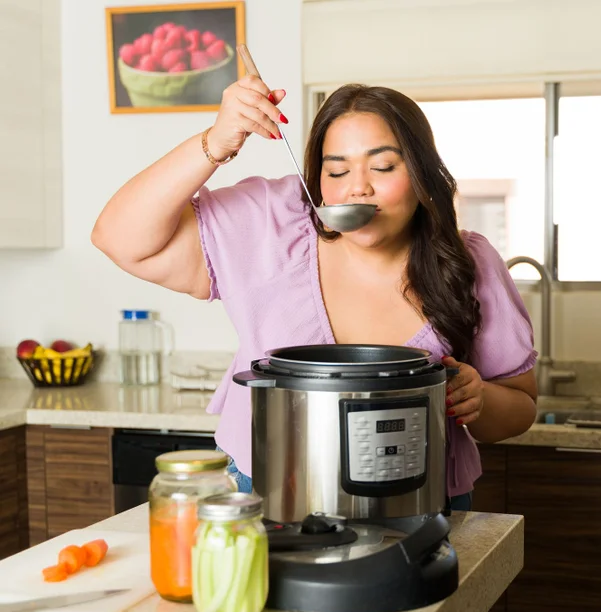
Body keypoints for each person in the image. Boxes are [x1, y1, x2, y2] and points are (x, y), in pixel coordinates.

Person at [91, 77, 540, 514]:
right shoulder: (271, 224)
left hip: (421, 505)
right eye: (337, 170)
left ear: (421, 173)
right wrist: (216, 142)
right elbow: (118, 237)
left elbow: (520, 407)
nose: (357, 187)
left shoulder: (468, 262)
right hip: (267, 497)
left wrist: (479, 398)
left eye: (383, 167)